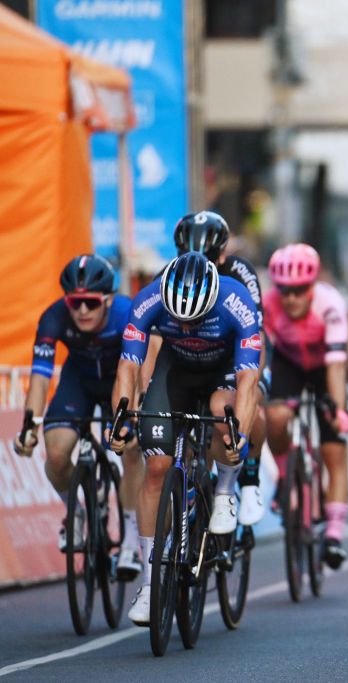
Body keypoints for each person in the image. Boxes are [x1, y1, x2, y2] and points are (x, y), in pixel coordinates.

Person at [109, 252, 261, 626]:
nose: (189, 326)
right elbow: (128, 368)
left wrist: (236, 436)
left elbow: (248, 382)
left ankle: (224, 490)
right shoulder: (149, 299)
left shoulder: (236, 302)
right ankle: (150, 582)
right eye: (180, 320)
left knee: (224, 418)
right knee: (157, 467)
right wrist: (121, 422)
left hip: (223, 371)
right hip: (175, 372)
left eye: (197, 319)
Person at [13, 255, 144, 576]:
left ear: (108, 300)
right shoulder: (53, 317)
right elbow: (40, 377)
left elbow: (139, 372)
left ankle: (130, 541)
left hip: (121, 378)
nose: (82, 311)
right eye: (75, 303)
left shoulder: (128, 314)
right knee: (56, 454)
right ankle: (79, 508)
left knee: (130, 448)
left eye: (90, 303)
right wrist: (29, 425)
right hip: (79, 381)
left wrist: (131, 418)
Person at [171, 211, 268, 526]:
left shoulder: (240, 274)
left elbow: (257, 336)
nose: (200, 263)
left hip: (236, 352)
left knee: (249, 406)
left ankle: (249, 481)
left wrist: (250, 386)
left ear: (224, 254)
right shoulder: (174, 275)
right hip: (191, 355)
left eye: (211, 258)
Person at [263, 243, 348, 569]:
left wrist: (338, 409)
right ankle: (286, 478)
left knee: (334, 450)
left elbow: (337, 366)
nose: (291, 298)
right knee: (274, 416)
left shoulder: (330, 304)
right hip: (289, 364)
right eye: (284, 291)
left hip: (324, 366)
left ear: (311, 286)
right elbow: (260, 354)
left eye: (299, 291)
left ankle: (333, 534)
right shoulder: (270, 304)